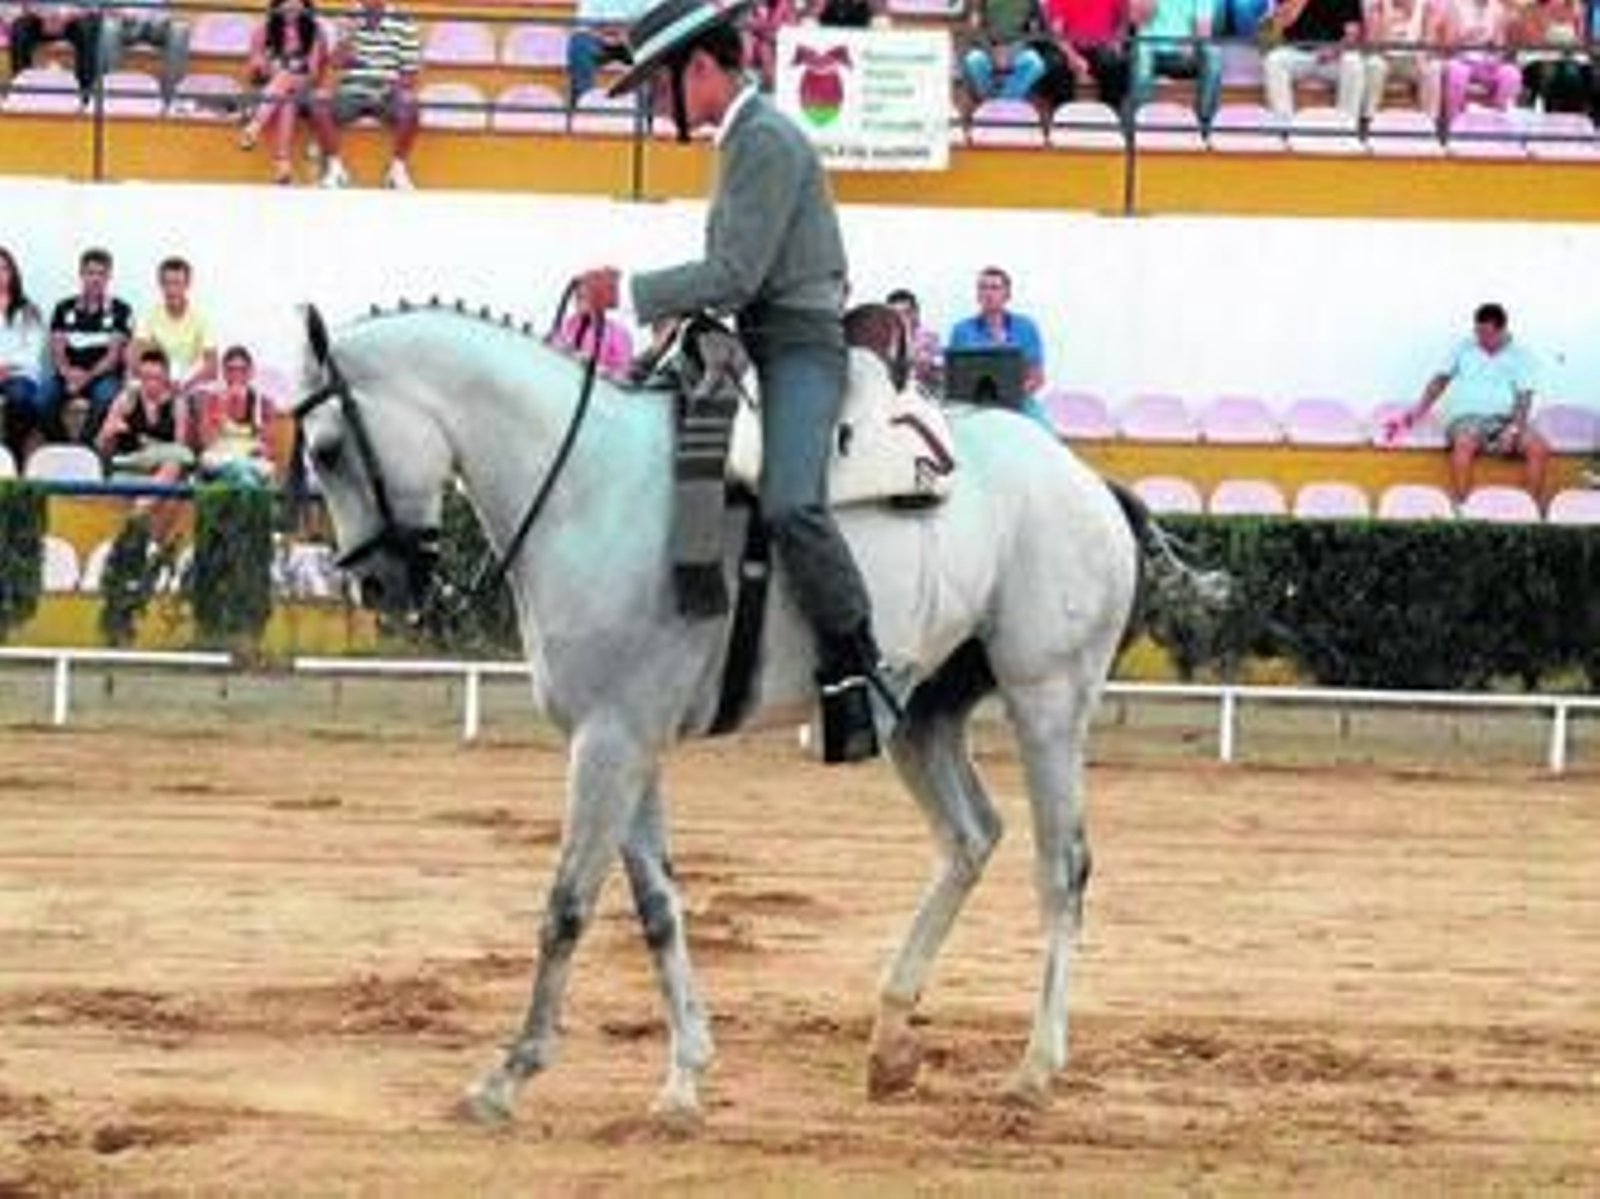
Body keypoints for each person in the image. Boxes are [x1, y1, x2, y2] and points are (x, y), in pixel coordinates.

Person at [575, 0, 890, 764]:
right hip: (756, 338)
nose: (656, 102)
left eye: (659, 87)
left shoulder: (767, 139)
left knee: (790, 502)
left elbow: (735, 272)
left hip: (799, 347)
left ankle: (857, 667)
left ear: (704, 69)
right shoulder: (746, 138)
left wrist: (631, 291)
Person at [1393, 302, 1550, 507]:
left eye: (1487, 334)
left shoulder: (1521, 355)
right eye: (1478, 333)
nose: (1481, 339)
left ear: (1502, 330)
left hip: (1505, 421)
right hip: (1467, 419)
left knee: (1538, 447)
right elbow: (1440, 380)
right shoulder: (1464, 347)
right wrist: (1418, 410)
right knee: (1464, 442)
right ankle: (1464, 508)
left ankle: (1529, 509)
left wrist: (1512, 430)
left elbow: (1524, 398)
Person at [311, 0, 422, 190]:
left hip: (388, 93)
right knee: (318, 100)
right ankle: (335, 169)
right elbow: (336, 63)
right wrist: (348, 35)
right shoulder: (347, 19)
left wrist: (391, 89)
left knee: (410, 103)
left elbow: (409, 75)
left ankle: (397, 170)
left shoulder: (404, 23)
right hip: (351, 92)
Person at [42, 247, 133, 445]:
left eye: (101, 273)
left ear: (109, 276)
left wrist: (86, 377)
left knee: (105, 397)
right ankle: (62, 447)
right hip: (68, 374)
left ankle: (84, 449)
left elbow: (113, 356)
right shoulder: (63, 307)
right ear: (81, 274)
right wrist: (67, 372)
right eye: (90, 273)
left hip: (102, 376)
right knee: (42, 399)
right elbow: (56, 349)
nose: (95, 279)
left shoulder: (120, 309)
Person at [239, 0, 331, 185]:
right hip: (268, 89)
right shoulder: (264, 28)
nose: (292, 6)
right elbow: (254, 67)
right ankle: (282, 164)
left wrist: (287, 74)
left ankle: (255, 125)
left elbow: (312, 74)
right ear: (278, 5)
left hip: (304, 87)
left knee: (286, 79)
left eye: (297, 3)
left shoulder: (315, 31)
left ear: (305, 6)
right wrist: (265, 66)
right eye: (286, 2)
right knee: (287, 99)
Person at [945, 265, 1050, 426]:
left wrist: (1008, 400)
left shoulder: (1026, 327)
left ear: (1007, 294)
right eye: (982, 288)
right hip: (974, 408)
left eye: (994, 288)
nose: (988, 293)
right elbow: (954, 379)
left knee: (1046, 439)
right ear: (977, 295)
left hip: (1018, 404)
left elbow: (1037, 378)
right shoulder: (961, 330)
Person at [1260, 0, 1368, 123]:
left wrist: (1336, 50)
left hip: (1333, 57)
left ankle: (1346, 126)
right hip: (1297, 53)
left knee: (1354, 62)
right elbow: (1280, 23)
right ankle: (1284, 126)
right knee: (1274, 61)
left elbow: (1353, 33)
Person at [130, 256, 218, 405]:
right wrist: (161, 380)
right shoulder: (150, 315)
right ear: (160, 284)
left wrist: (186, 385)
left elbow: (212, 366)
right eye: (167, 283)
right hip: (157, 373)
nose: (171, 289)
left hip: (189, 376)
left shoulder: (201, 317)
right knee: (131, 392)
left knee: (203, 398)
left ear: (187, 284)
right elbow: (134, 356)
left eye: (177, 283)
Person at [1128, 0, 1223, 129]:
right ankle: (1141, 123)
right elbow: (1135, 20)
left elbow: (1204, 30)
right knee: (1141, 50)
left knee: (1214, 54)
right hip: (1151, 52)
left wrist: (1193, 43)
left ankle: (1204, 124)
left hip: (1185, 55)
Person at [196, 345, 276, 485]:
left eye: (242, 370)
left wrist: (260, 447)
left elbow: (268, 448)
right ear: (224, 373)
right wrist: (223, 409)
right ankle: (243, 481)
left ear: (250, 372)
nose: (237, 375)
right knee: (209, 461)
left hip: (250, 460)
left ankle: (241, 479)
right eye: (231, 370)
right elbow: (206, 442)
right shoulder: (211, 400)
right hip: (220, 457)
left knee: (263, 468)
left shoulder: (263, 402)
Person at [1434, 0, 1521, 126]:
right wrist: (1466, 36)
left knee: (1511, 74)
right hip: (1460, 58)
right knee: (1456, 71)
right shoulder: (1455, 6)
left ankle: (1498, 119)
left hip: (1486, 61)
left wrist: (1496, 53)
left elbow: (1499, 46)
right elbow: (1448, 45)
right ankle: (1452, 121)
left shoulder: (1497, 9)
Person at [0, 246, 48, 466]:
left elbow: (31, 354)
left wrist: (5, 368)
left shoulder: (28, 310)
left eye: (3, 269)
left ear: (12, 274)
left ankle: (13, 459)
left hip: (19, 375)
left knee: (19, 399)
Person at [99, 0, 190, 108]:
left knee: (180, 28)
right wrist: (119, 12)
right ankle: (110, 92)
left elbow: (165, 9)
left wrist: (162, 17)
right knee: (109, 26)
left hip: (155, 24)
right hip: (125, 23)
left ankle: (171, 94)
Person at [8, 1, 102, 104]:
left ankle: (85, 91)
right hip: (41, 19)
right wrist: (42, 15)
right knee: (19, 29)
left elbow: (93, 7)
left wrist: (67, 17)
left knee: (87, 29)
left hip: (73, 19)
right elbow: (27, 5)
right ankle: (21, 89)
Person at [962, 0, 1052, 106]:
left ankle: (1002, 102)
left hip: (1018, 51)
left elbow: (1037, 32)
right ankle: (989, 101)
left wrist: (1013, 50)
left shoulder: (1032, 3)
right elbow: (975, 29)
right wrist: (991, 51)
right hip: (989, 50)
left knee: (1036, 63)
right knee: (973, 60)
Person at [567, 0, 646, 108]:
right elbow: (583, 26)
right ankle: (583, 101)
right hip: (601, 40)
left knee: (657, 45)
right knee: (579, 43)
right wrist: (604, 36)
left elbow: (653, 19)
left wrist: (626, 35)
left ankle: (646, 105)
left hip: (634, 40)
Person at [885, 287, 943, 392]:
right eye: (895, 315)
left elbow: (940, 370)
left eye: (906, 313)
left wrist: (927, 366)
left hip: (922, 393)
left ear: (915, 313)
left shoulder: (929, 337)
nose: (901, 319)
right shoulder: (884, 339)